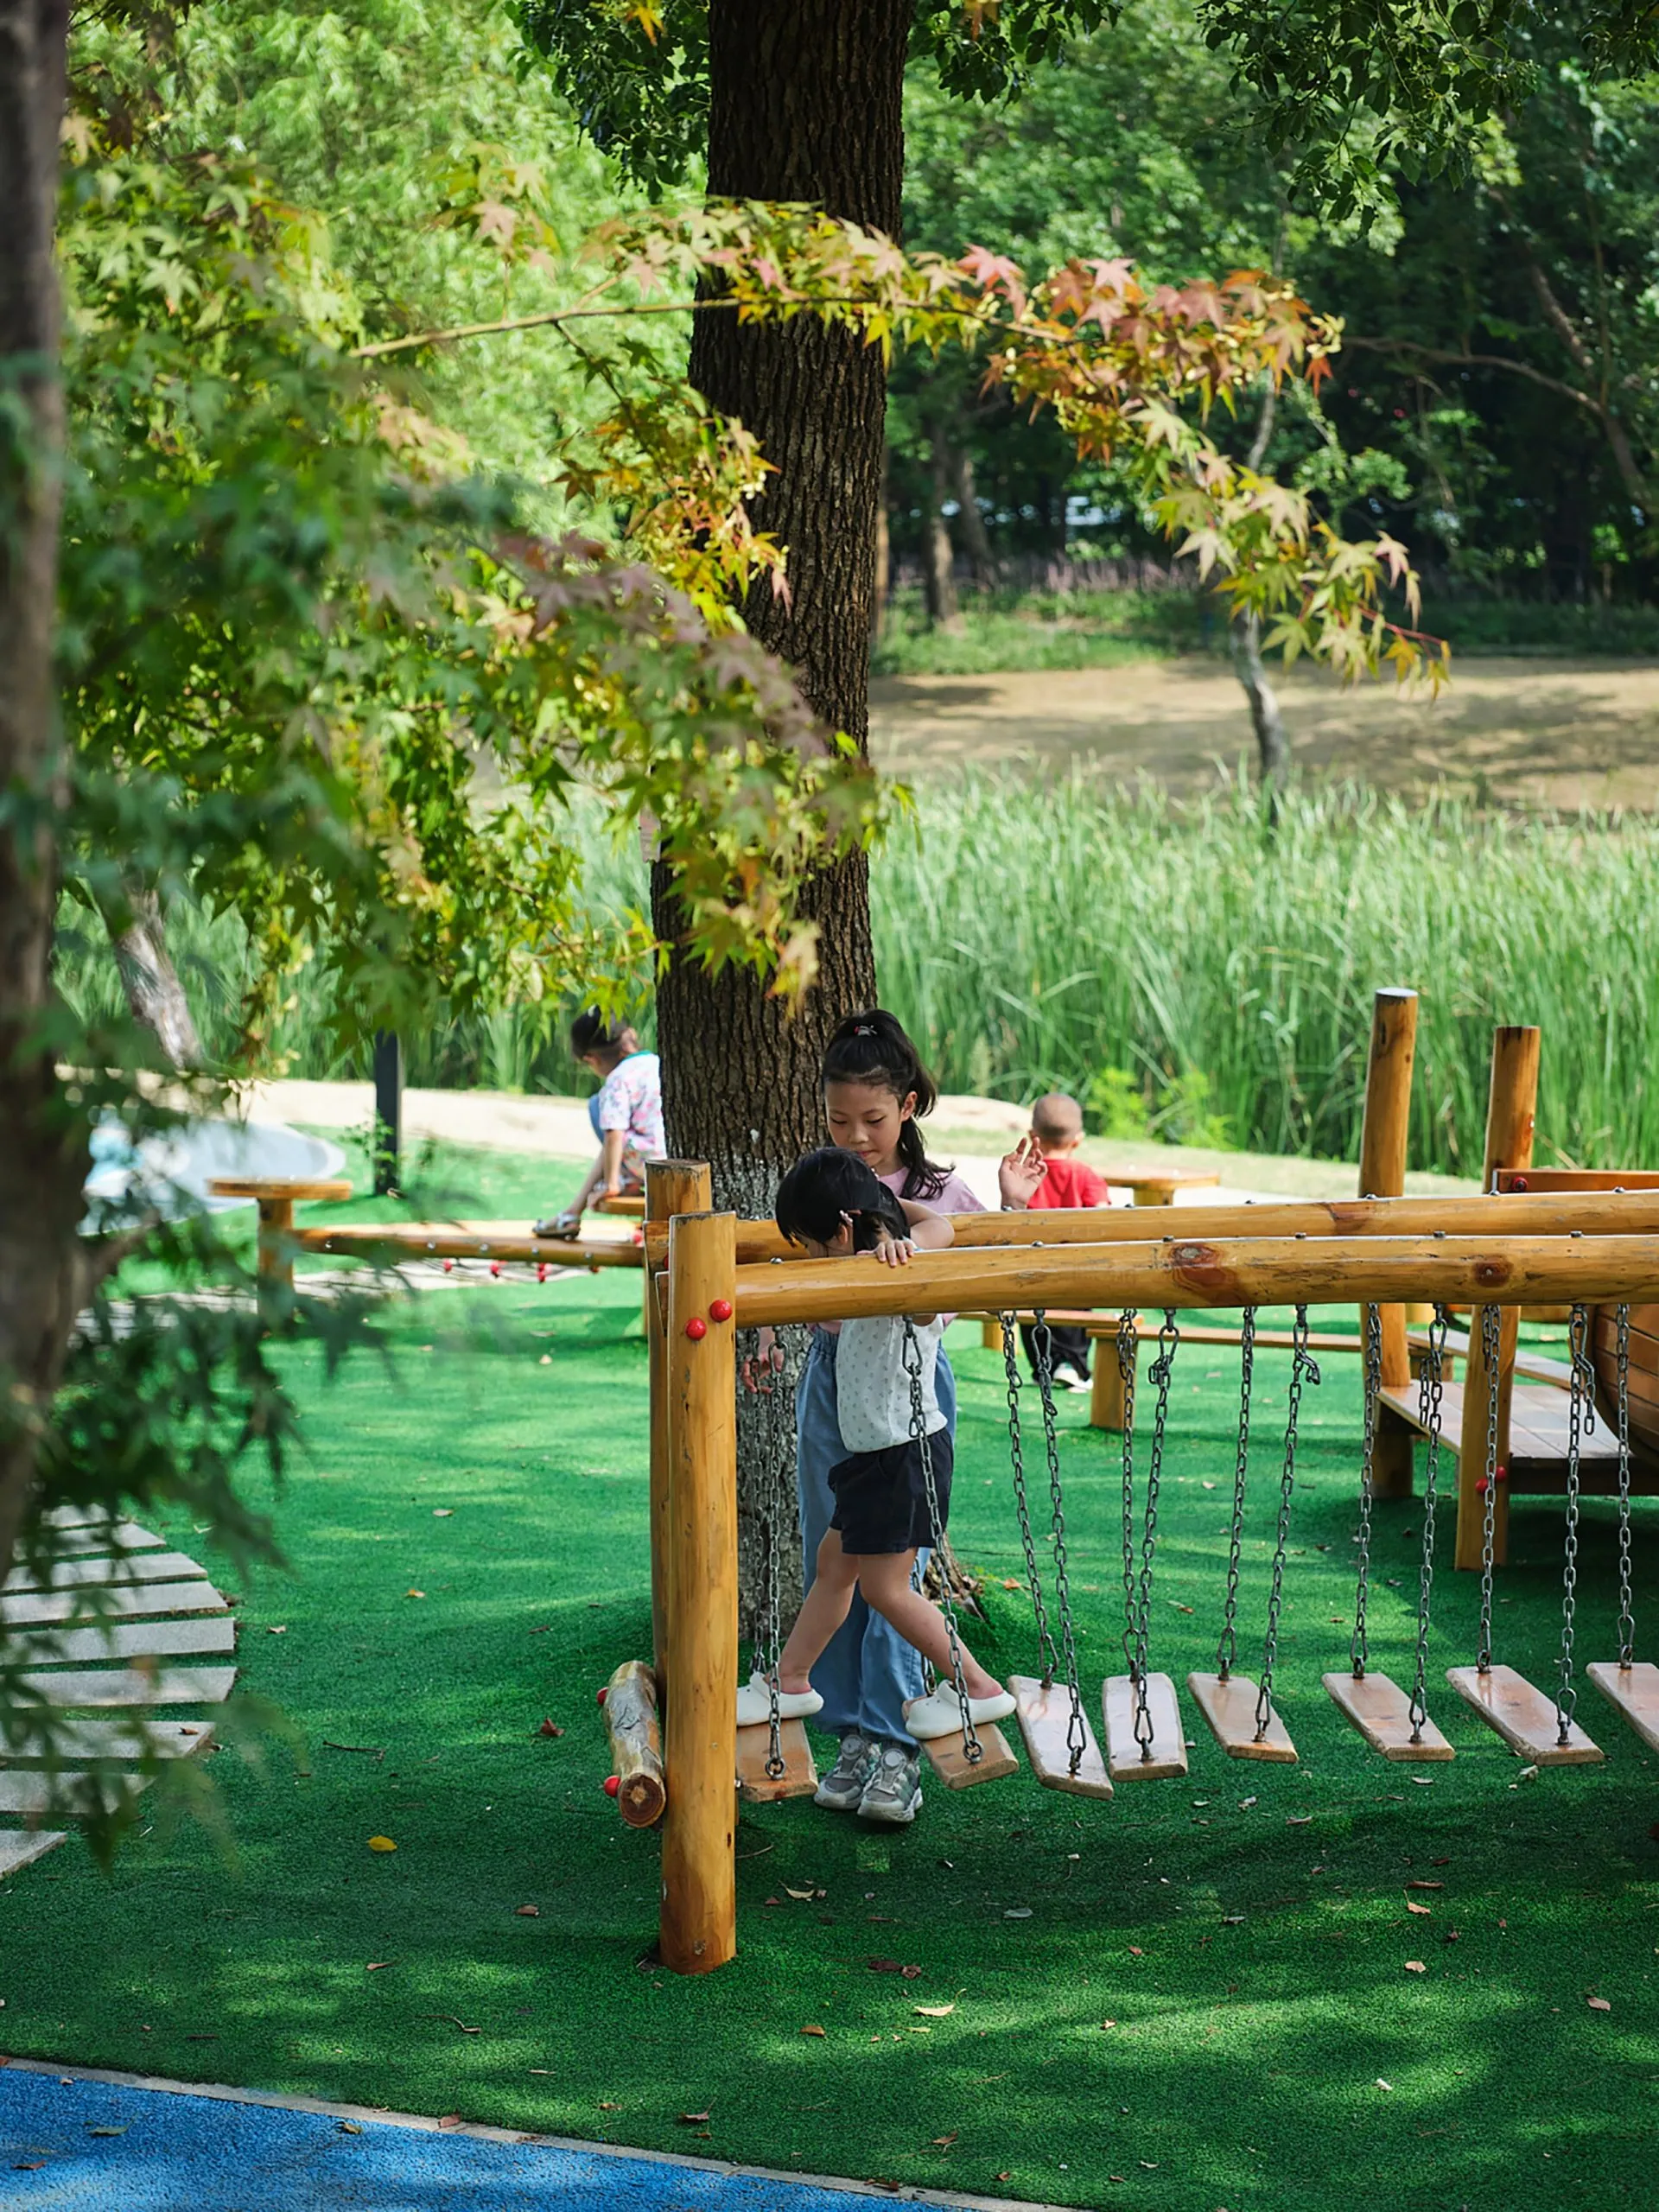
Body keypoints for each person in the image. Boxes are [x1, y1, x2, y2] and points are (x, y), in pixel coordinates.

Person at [745, 1007, 1046, 1825]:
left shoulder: (932, 1197)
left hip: (906, 1408)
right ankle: (848, 1730)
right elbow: (791, 1270)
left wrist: (1008, 1209)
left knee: (889, 1577)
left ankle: (893, 1741)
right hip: (835, 1389)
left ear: (908, 1106)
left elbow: (978, 1258)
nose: (856, 1135)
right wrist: (767, 1330)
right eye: (839, 1120)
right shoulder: (825, 1188)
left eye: (872, 1119)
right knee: (832, 1565)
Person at [735, 1151, 1015, 1752]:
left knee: (885, 1591)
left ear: (839, 1229)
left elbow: (940, 1233)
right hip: (875, 1458)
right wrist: (880, 1215)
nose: (811, 1259)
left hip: (903, 1458)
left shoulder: (905, 1269)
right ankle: (791, 1679)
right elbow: (923, 1221)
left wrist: (893, 1236)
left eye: (812, 1244)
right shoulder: (864, 1261)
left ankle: (977, 1686)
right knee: (834, 1568)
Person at [533, 1011, 663, 1238]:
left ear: (591, 1059)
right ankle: (573, 1211)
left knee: (597, 1106)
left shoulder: (618, 1080)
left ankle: (620, 1182)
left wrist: (611, 1183)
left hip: (648, 1163)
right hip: (671, 1159)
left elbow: (614, 1132)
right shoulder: (656, 1063)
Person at [1019, 1090, 1110, 1391]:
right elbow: (1102, 1217)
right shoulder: (1086, 1175)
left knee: (1034, 1316)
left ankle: (1045, 1366)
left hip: (1033, 1269)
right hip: (1076, 1268)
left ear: (1034, 1136)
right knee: (1076, 1318)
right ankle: (1072, 1365)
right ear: (1077, 1140)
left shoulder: (1027, 1175)